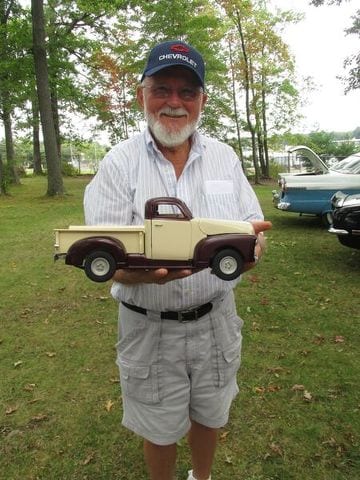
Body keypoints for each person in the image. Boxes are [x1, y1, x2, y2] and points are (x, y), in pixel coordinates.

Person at [84, 40, 271, 480]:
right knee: (159, 425)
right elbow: (107, 250)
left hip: (216, 320)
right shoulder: (118, 164)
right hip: (149, 326)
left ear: (202, 100)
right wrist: (141, 273)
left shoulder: (225, 157)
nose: (174, 103)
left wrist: (256, 248)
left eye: (187, 92)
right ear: (142, 95)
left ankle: (201, 478)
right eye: (162, 88)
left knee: (212, 411)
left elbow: (252, 224)